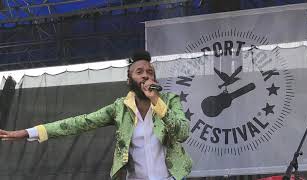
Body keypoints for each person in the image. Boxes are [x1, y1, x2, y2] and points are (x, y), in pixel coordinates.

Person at [0, 50, 192, 180]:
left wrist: (156, 101)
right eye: (139, 72)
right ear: (129, 80)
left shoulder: (168, 100)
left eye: (150, 72)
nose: (145, 75)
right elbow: (78, 123)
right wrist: (29, 132)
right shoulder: (120, 109)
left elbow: (182, 132)